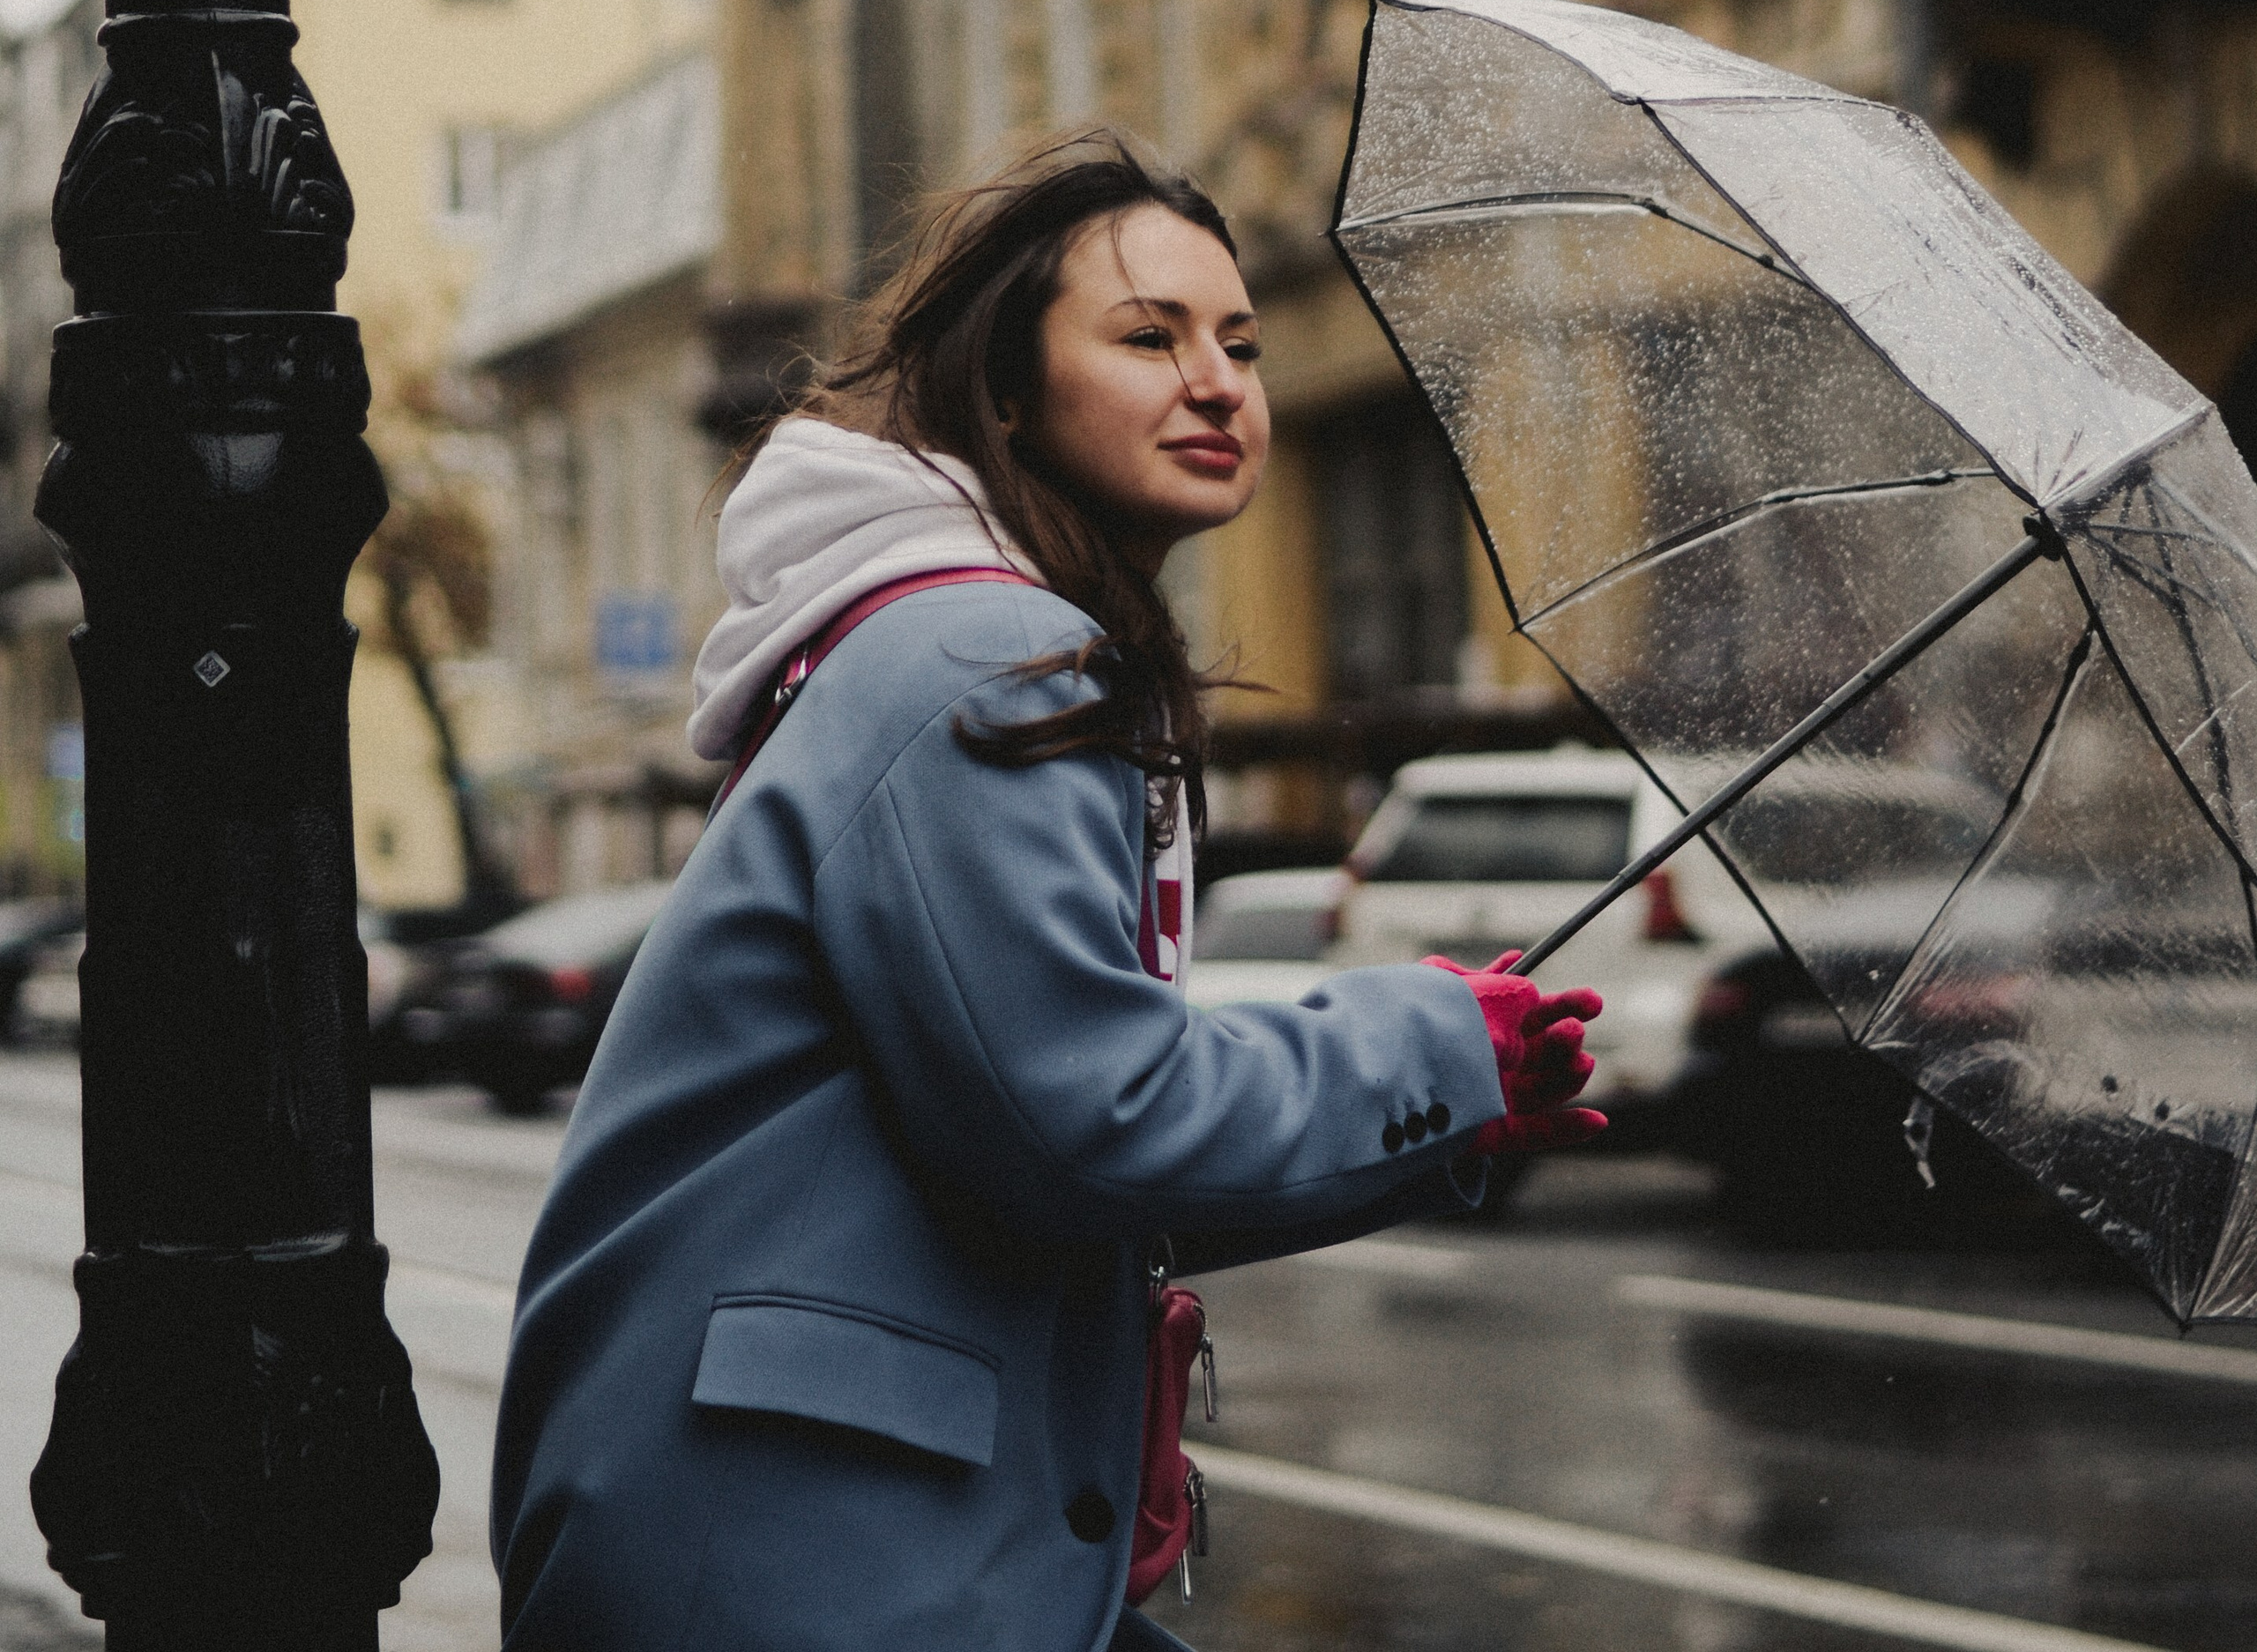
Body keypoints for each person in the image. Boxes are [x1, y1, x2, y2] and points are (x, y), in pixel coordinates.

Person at [489, 130, 1604, 1652]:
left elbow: (1031, 1144)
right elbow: (1082, 1120)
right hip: (807, 1548)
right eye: (1147, 338)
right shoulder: (979, 660)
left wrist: (1455, 1099)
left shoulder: (970, 646)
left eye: (1241, 343)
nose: (1218, 382)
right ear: (1006, 391)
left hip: (833, 1522)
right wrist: (1433, 1048)